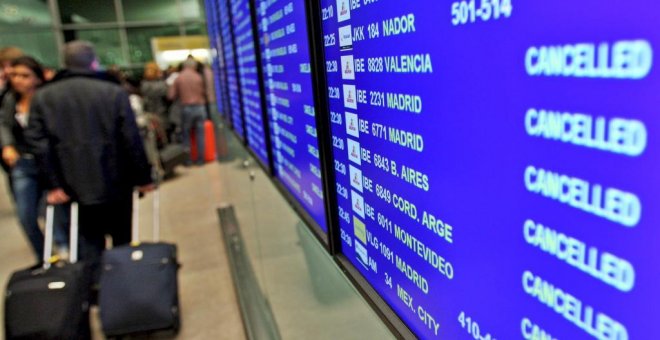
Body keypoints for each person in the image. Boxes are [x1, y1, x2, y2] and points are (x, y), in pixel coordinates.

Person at [24, 41, 154, 274]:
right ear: (93, 62)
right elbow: (131, 139)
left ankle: (93, 289)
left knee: (87, 242)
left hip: (72, 186)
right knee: (122, 237)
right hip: (117, 182)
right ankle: (124, 289)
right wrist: (143, 176)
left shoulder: (44, 97)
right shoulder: (113, 92)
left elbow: (38, 144)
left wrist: (53, 184)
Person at [0, 56, 69, 261]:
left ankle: (63, 247)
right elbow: (3, 124)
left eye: (24, 75)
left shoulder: (48, 98)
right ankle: (43, 255)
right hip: (24, 162)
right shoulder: (10, 99)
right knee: (26, 214)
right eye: (15, 75)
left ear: (37, 77)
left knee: (54, 211)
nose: (18, 80)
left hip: (49, 162)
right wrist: (8, 146)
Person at [168, 58, 207, 165]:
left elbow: (171, 95)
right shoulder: (198, 77)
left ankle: (188, 160)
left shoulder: (179, 78)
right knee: (200, 135)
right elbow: (204, 92)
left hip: (187, 108)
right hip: (200, 107)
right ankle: (201, 160)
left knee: (186, 136)